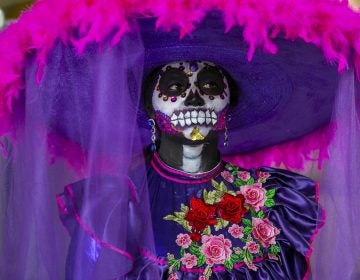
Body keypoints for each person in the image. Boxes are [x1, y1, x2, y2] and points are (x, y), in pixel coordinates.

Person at [0, 1, 359, 280]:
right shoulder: (109, 206)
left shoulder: (275, 200)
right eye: (174, 87)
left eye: (209, 87)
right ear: (149, 107)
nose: (193, 99)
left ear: (228, 103)